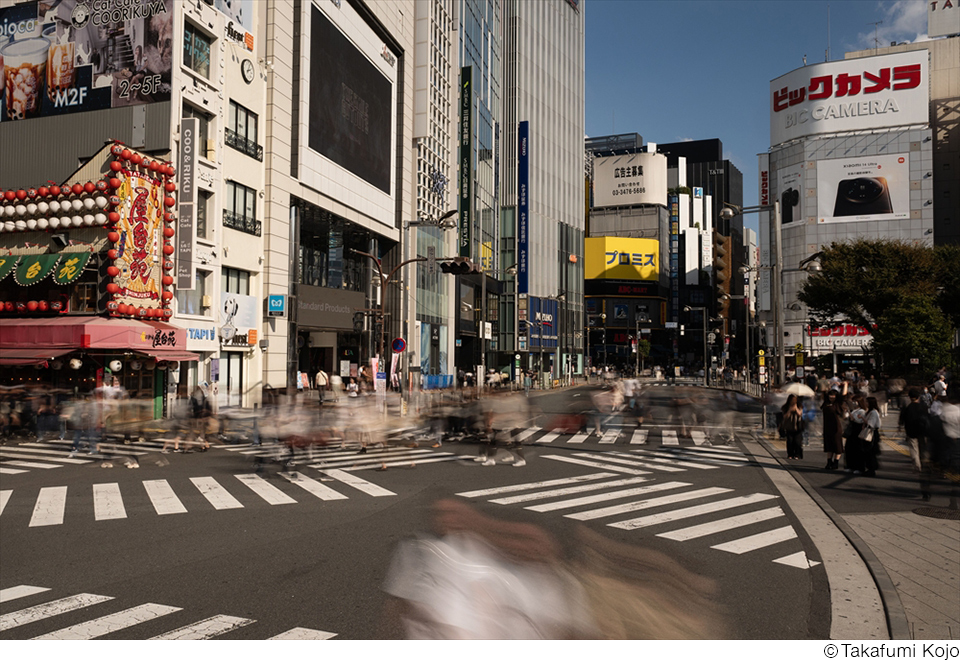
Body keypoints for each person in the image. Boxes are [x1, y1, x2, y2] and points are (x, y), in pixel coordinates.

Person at [899, 388, 929, 474]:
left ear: (909, 397)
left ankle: (917, 466)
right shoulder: (924, 407)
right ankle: (925, 463)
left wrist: (901, 426)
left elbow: (903, 419)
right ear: (918, 397)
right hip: (923, 431)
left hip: (911, 431)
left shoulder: (908, 408)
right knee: (923, 448)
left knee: (914, 449)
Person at [821, 389, 844, 470]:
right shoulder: (826, 403)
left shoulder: (837, 404)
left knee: (837, 445)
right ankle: (829, 461)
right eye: (830, 396)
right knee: (829, 445)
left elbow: (843, 396)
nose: (831, 397)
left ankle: (836, 462)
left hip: (836, 427)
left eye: (833, 396)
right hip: (827, 426)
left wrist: (845, 384)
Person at [860, 397, 883, 477]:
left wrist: (863, 419)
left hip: (871, 434)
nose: (865, 403)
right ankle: (870, 468)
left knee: (870, 452)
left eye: (867, 402)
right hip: (871, 433)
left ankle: (871, 469)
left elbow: (871, 424)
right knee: (868, 452)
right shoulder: (870, 412)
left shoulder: (873, 412)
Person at [780, 394, 805, 460]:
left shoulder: (799, 406)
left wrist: (796, 408)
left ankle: (797, 454)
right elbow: (784, 416)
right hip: (789, 426)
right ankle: (790, 454)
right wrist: (790, 410)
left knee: (797, 442)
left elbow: (800, 414)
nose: (793, 401)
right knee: (790, 441)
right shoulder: (785, 407)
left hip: (798, 426)